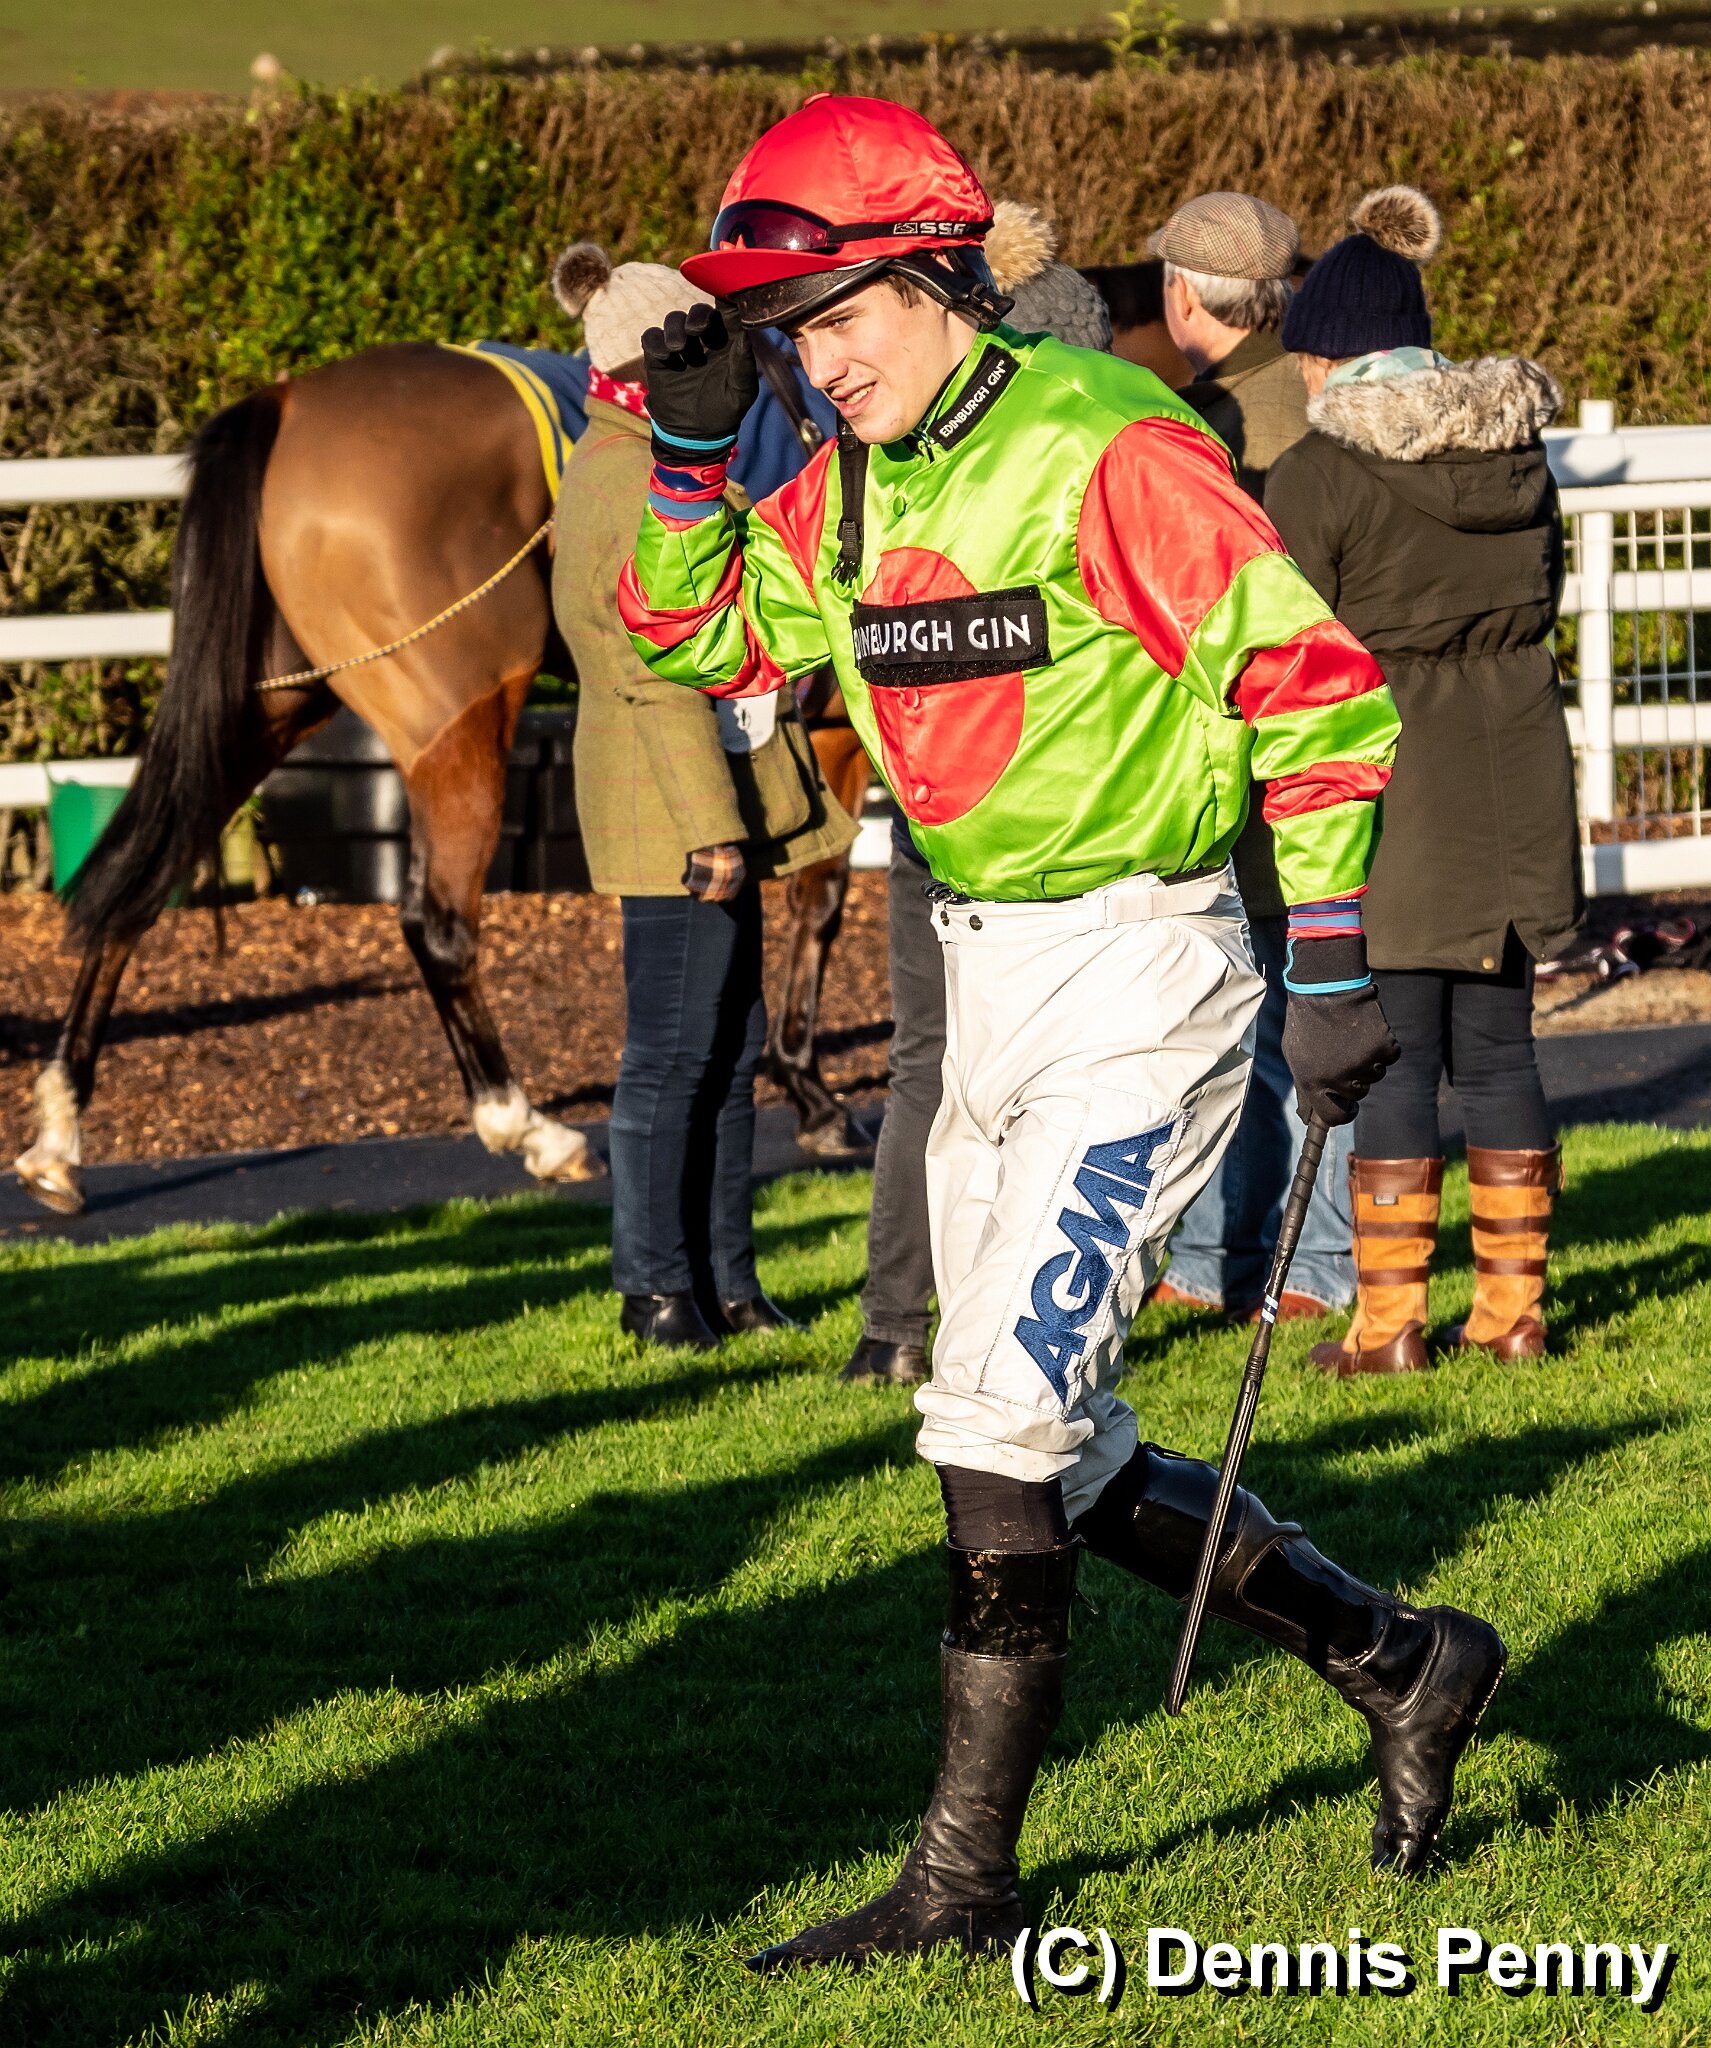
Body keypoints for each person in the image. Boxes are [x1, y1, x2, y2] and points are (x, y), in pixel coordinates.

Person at [621, 95, 1506, 1966]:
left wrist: (1328, 963)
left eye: (835, 317)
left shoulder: (1111, 441)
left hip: (1141, 976)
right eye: (785, 336)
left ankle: (961, 1887)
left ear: (936, 276)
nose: (815, 363)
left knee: (994, 1433)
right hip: (982, 982)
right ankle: (1398, 1657)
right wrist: (693, 465)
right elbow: (706, 648)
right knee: (1062, 1446)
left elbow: (1309, 686)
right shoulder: (844, 480)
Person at [1261, 186, 1582, 1376]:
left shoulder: (1317, 471)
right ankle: (1511, 1317)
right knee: (1500, 1049)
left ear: (1331, 353)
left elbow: (1284, 636)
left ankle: (1388, 1324)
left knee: (1392, 1051)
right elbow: (1543, 598)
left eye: (1304, 354)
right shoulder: (1518, 455)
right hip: (1518, 769)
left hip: (1389, 775)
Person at [551, 243, 855, 1350]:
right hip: (673, 808)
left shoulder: (645, 456)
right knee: (675, 1054)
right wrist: (712, 830)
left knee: (728, 1049)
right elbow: (650, 667)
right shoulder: (625, 478)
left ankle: (726, 1280)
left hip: (702, 794)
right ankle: (655, 1288)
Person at [845, 201, 1118, 1388]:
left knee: (933, 1064)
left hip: (936, 800)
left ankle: (898, 1322)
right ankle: (998, 1329)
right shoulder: (1072, 448)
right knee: (1049, 1077)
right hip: (1056, 819)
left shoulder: (912, 474)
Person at [1148, 192, 1356, 1321]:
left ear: (1183, 293)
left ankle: (1291, 1259)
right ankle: (1244, 1253)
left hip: (1237, 738)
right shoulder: (1326, 404)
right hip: (1317, 730)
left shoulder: (1185, 428)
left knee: (1249, 1012)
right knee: (1298, 997)